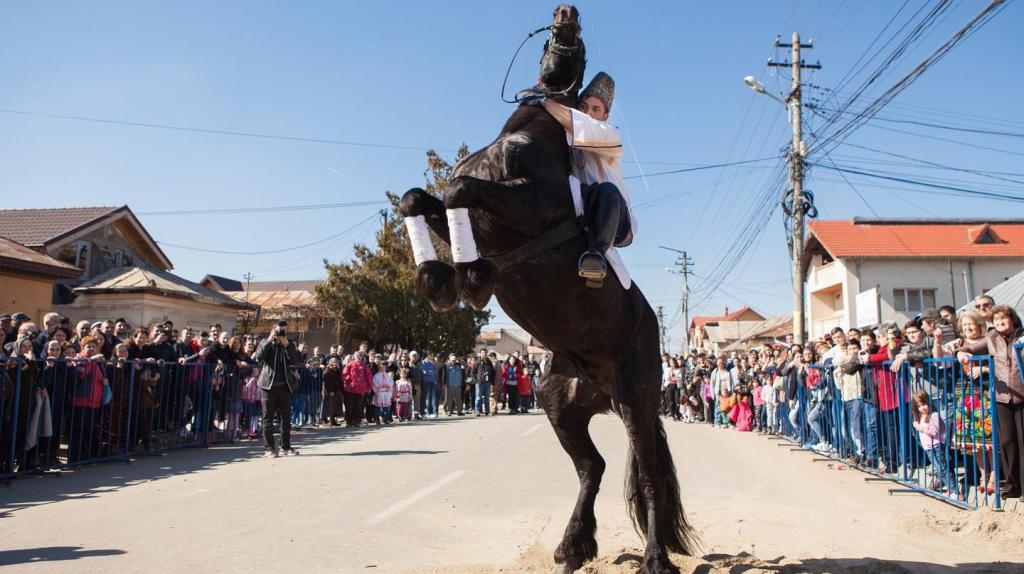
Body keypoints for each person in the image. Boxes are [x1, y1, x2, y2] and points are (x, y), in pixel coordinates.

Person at [542, 72, 635, 286]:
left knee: (607, 190)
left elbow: (570, 120)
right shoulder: (571, 135)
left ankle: (596, 258)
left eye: (595, 109)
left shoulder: (610, 134)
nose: (588, 113)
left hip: (615, 218)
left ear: (605, 116)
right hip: (582, 208)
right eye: (583, 107)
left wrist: (542, 99)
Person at [956, 305, 1024, 500]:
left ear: (1012, 320)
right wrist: (961, 352)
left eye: (1004, 319)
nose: (1000, 323)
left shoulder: (1021, 336)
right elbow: (970, 347)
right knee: (1007, 441)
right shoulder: (991, 338)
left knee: (1023, 441)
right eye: (996, 320)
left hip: (1021, 394)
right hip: (1002, 397)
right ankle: (1012, 486)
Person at [252, 322, 301, 457]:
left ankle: (285, 447)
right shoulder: (266, 342)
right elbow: (258, 356)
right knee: (267, 418)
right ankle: (269, 449)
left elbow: (295, 361)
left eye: (285, 331)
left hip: (284, 385)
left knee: (286, 418)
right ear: (274, 329)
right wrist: (270, 340)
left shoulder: (289, 344)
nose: (282, 334)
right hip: (268, 385)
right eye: (280, 331)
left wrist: (286, 345)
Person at [912, 390, 950, 492]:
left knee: (943, 469)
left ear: (928, 402)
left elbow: (934, 432)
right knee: (940, 469)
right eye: (919, 406)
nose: (922, 408)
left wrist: (919, 427)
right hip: (929, 448)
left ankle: (954, 490)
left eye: (923, 404)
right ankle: (949, 487)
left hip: (936, 446)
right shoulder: (921, 416)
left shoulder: (934, 415)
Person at [342, 351, 372, 428]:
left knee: (359, 406)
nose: (359, 357)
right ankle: (349, 422)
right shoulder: (350, 364)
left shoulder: (365, 366)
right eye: (358, 355)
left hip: (361, 389)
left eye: (361, 356)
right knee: (350, 405)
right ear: (355, 356)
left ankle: (357, 421)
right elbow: (344, 374)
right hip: (350, 389)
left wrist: (368, 387)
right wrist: (350, 379)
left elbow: (369, 377)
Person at [371, 355, 395, 425]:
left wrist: (388, 386)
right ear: (379, 367)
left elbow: (391, 383)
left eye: (384, 367)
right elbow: (374, 383)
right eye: (381, 366)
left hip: (386, 393)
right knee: (378, 406)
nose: (383, 368)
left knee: (385, 407)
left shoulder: (387, 376)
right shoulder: (376, 375)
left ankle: (385, 418)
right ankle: (377, 419)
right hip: (379, 393)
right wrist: (380, 387)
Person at [474, 349, 495, 416]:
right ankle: (477, 411)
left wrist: (492, 382)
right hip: (479, 383)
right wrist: (476, 380)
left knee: (487, 398)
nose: (484, 354)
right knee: (478, 398)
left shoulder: (489, 362)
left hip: (487, 383)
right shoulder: (477, 362)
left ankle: (487, 411)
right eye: (482, 353)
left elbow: (493, 372)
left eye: (485, 353)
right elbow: (473, 372)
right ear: (480, 354)